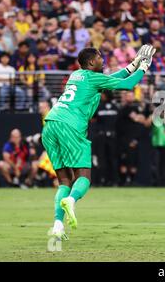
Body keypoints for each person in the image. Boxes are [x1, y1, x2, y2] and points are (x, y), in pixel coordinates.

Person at [42, 44, 156, 240]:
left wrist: (132, 65)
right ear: (92, 62)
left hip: (51, 123)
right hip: (70, 125)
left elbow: (110, 79)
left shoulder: (76, 75)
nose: (103, 60)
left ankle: (58, 226)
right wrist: (144, 67)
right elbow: (127, 85)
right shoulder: (91, 77)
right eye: (100, 57)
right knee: (83, 177)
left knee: (64, 180)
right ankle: (71, 200)